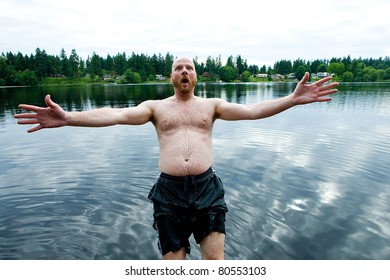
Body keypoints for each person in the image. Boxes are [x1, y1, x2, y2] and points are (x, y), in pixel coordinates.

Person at [14, 57, 338, 260]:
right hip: (169, 194)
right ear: (171, 77)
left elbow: (254, 111)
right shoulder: (155, 108)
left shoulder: (212, 106)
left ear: (196, 77)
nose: (184, 71)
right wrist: (70, 117)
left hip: (207, 189)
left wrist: (293, 100)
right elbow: (115, 114)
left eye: (190, 67)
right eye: (178, 68)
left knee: (216, 264)